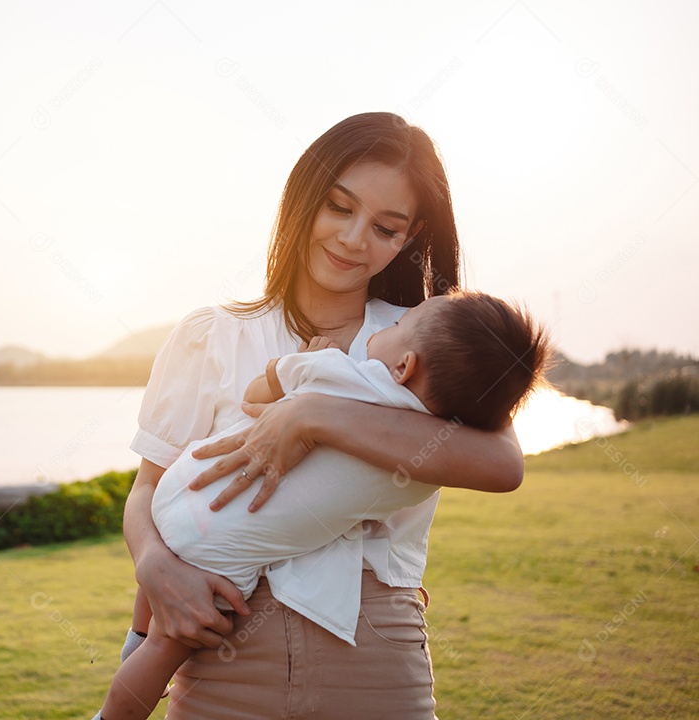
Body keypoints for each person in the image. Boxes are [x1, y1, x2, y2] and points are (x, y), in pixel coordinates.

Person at [120, 112, 529, 720]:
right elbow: (148, 488)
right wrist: (155, 566)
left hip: (376, 660)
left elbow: (500, 464)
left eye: (386, 227)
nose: (354, 239)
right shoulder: (212, 337)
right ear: (304, 196)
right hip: (221, 648)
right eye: (339, 207)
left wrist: (312, 415)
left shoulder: (433, 349)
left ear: (410, 236)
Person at [97, 291, 548, 720]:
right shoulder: (429, 460)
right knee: (163, 651)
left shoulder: (341, 370)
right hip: (225, 562)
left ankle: (133, 644)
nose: (354, 239)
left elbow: (255, 397)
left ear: (404, 365)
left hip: (191, 489)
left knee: (154, 638)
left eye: (399, 324)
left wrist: (304, 380)